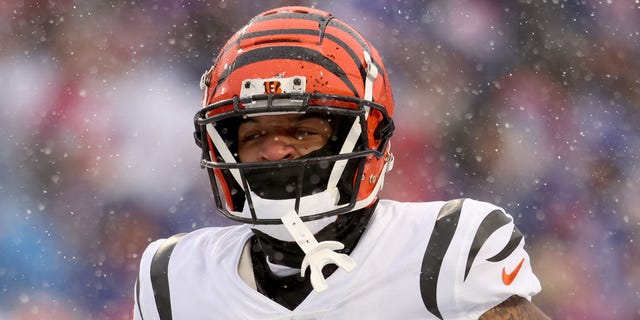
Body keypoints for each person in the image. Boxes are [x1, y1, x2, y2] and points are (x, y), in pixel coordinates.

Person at [133, 6, 549, 319]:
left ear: (368, 137)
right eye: (254, 135)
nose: (276, 151)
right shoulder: (173, 279)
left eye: (302, 132)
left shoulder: (447, 250)